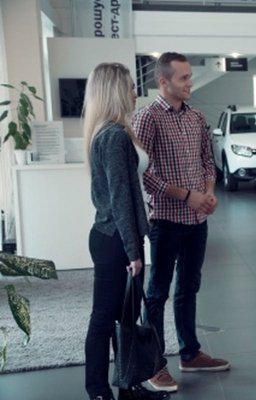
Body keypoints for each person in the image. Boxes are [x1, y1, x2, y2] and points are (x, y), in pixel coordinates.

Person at [133, 52, 230, 393]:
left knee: (189, 287)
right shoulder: (147, 118)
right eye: (184, 78)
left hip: (197, 219)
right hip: (166, 220)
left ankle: (190, 353)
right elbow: (144, 174)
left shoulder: (196, 116)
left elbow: (207, 160)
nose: (190, 83)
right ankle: (154, 364)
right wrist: (186, 195)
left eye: (190, 76)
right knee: (157, 293)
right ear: (164, 82)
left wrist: (208, 192)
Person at [83, 63, 169, 400]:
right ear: (116, 91)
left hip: (119, 237)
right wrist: (133, 251)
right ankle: (98, 390)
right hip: (115, 240)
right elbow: (119, 197)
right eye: (131, 87)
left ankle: (129, 385)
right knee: (104, 318)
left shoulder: (115, 132)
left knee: (126, 318)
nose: (136, 93)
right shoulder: (114, 136)